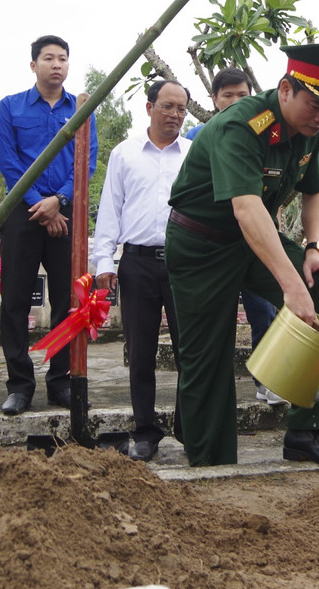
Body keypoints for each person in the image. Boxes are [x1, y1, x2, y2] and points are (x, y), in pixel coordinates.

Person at [165, 44, 319, 467]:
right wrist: (289, 287)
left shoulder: (307, 132)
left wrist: (315, 251)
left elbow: (315, 193)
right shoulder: (240, 126)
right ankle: (209, 457)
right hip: (201, 244)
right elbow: (246, 208)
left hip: (252, 240)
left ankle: (306, 432)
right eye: (316, 105)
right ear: (286, 89)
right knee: (208, 353)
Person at [0, 35, 97, 416]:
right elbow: (8, 164)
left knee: (68, 302)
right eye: (49, 58)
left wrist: (60, 202)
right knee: (15, 301)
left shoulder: (83, 109)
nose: (57, 65)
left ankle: (60, 381)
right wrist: (42, 203)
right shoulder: (10, 107)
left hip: (67, 211)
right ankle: (19, 385)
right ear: (33, 64)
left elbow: (86, 162)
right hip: (23, 211)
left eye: (63, 59)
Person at [92, 80, 191, 462]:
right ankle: (146, 431)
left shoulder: (193, 154)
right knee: (141, 352)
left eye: (181, 109)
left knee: (190, 351)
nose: (175, 115)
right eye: (167, 106)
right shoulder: (125, 154)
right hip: (136, 263)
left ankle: (188, 428)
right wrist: (104, 261)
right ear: (149, 107)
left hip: (184, 264)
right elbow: (110, 210)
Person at [186, 67, 282, 406]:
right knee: (214, 321)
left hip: (253, 241)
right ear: (214, 100)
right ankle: (214, 393)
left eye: (243, 95)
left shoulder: (266, 135)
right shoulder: (196, 137)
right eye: (228, 96)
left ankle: (267, 379)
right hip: (211, 241)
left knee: (264, 311)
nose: (236, 102)